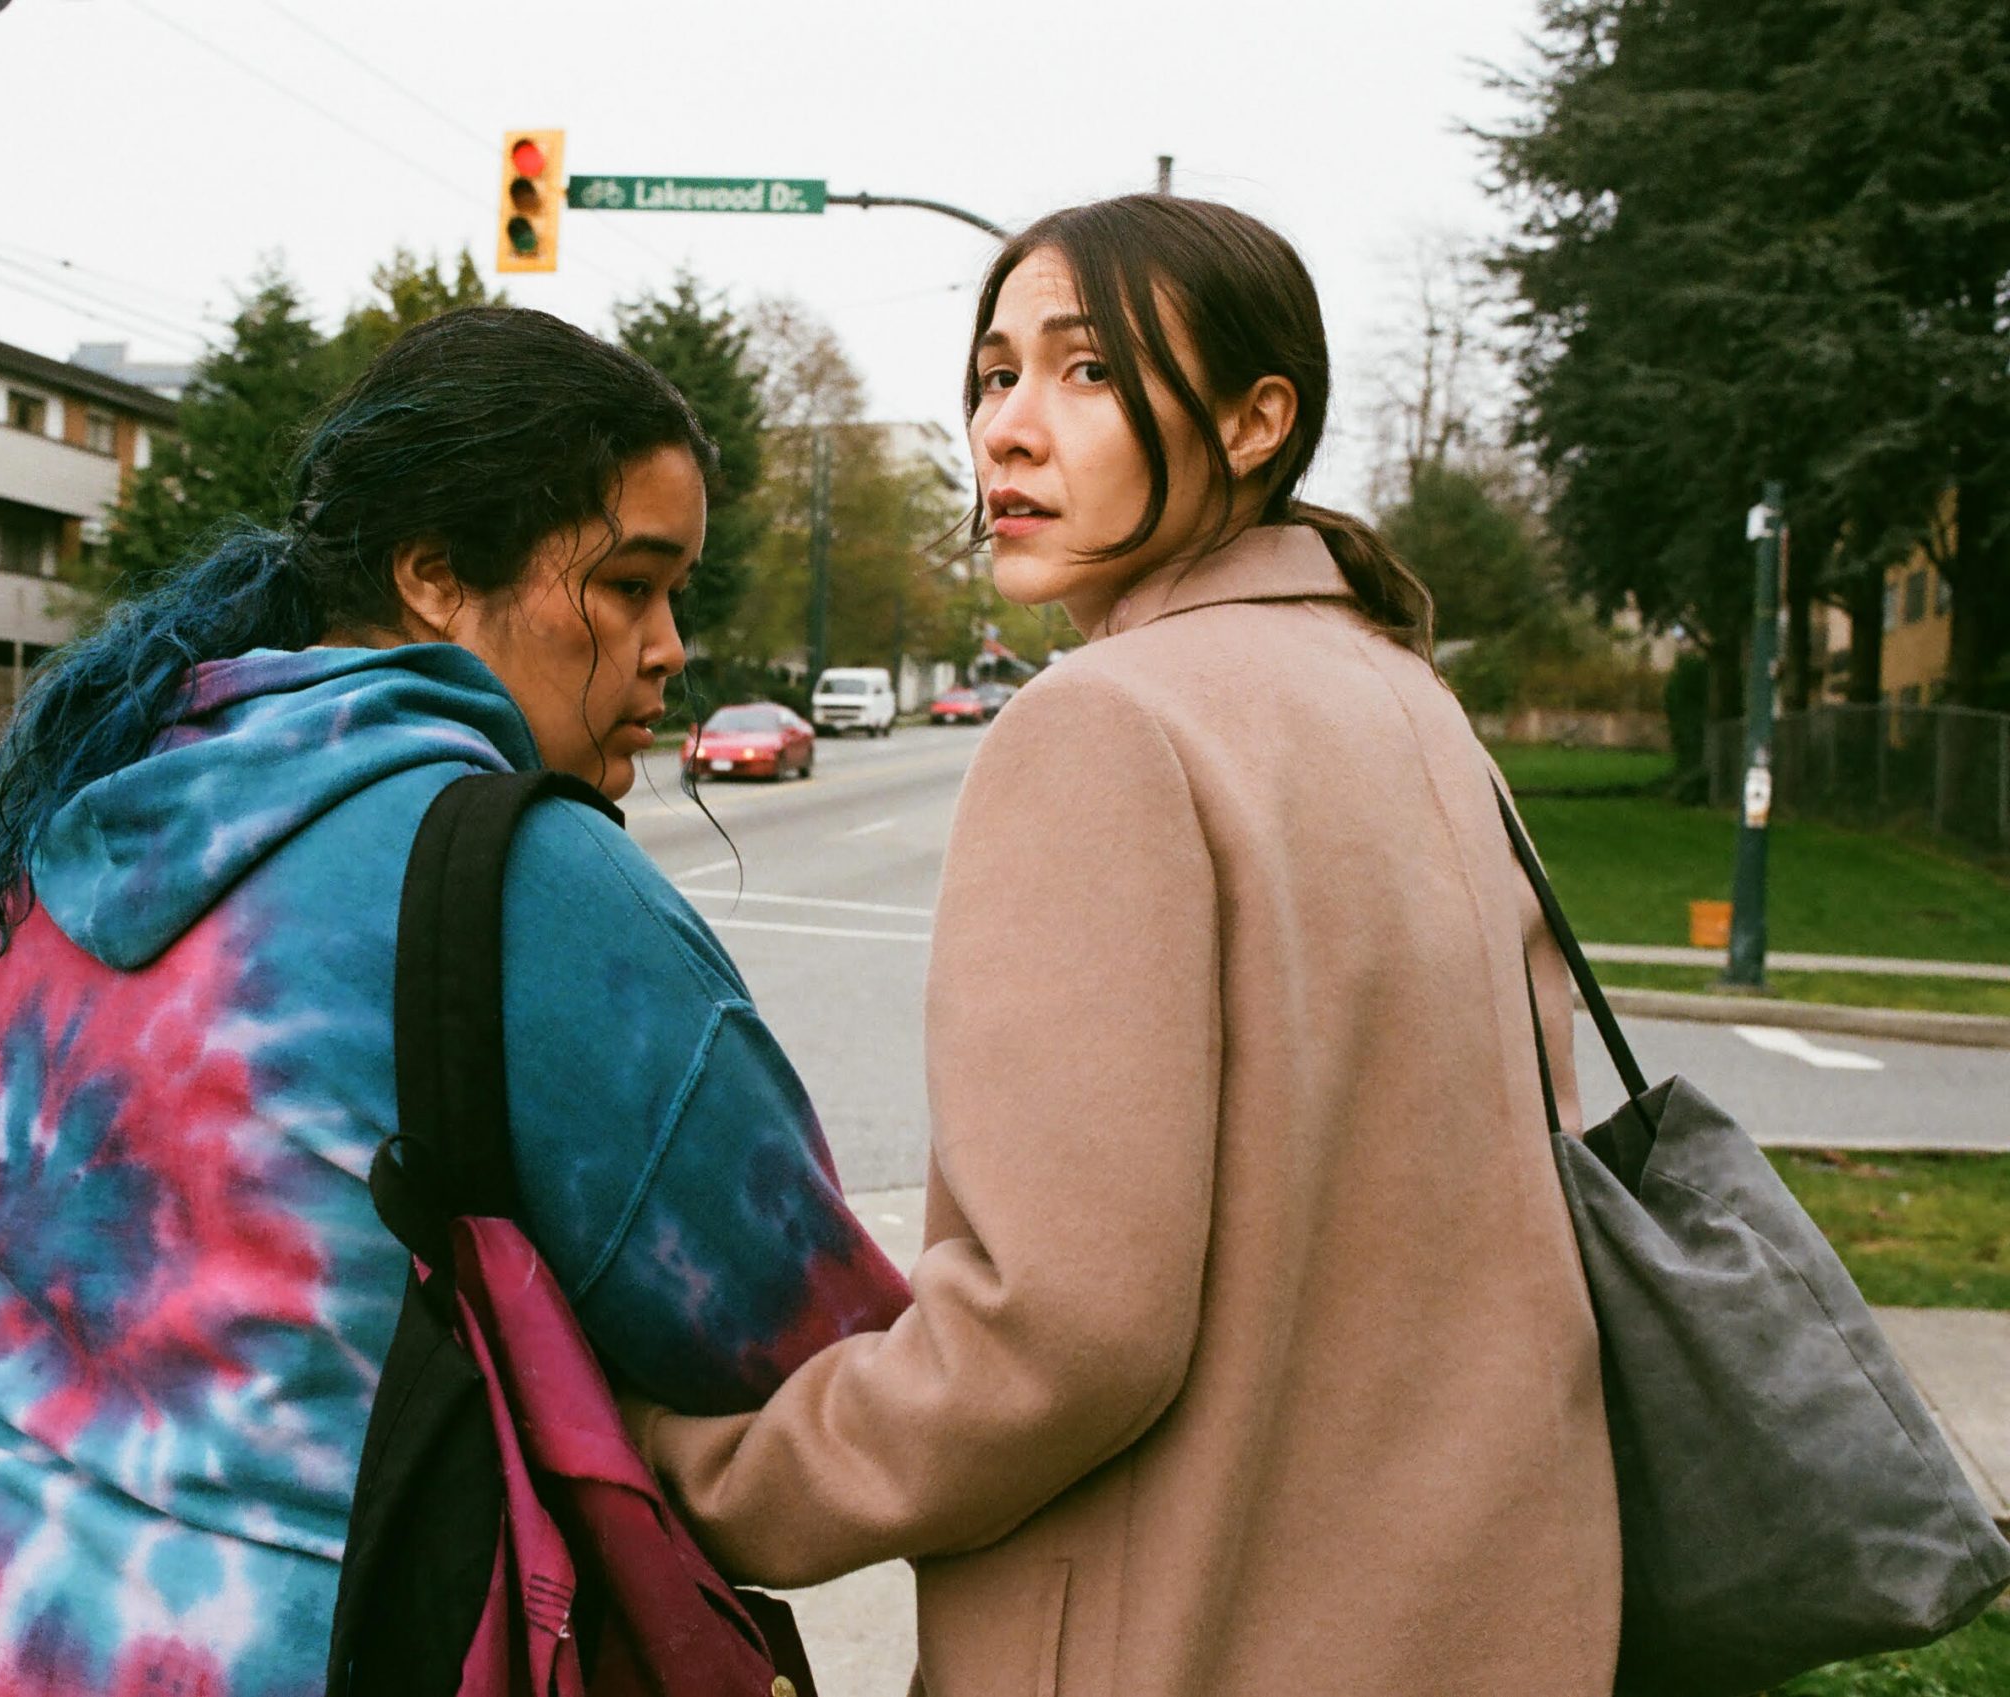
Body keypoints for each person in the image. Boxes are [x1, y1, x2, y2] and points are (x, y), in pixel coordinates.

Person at [0, 306, 910, 1697]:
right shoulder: (524, 877)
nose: (671, 643)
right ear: (438, 575)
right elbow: (814, 1340)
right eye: (630, 585)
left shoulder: (88, 797)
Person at [633, 196, 1621, 1695]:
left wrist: (713, 1480)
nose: (1010, 431)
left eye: (1086, 371)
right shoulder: (1410, 699)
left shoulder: (1105, 729)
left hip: (1192, 1633)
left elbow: (1060, 1334)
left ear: (1255, 419)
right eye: (995, 372)